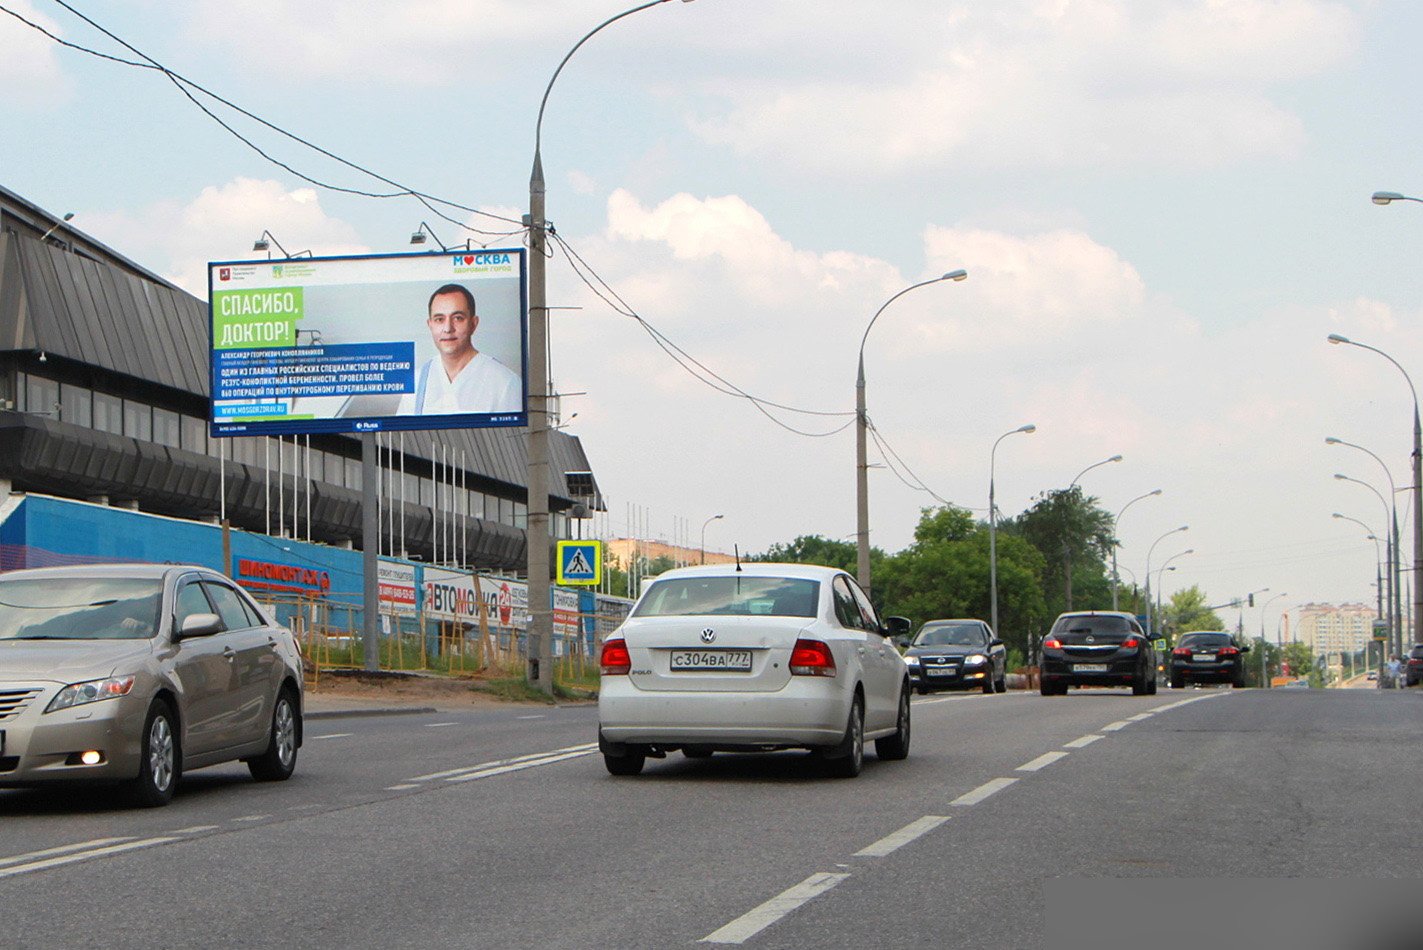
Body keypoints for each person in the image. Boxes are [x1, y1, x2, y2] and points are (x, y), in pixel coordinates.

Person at [397, 284, 522, 415]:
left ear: (473, 324)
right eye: (439, 319)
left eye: (458, 318)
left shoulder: (505, 382)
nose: (448, 328)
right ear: (430, 325)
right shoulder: (416, 382)